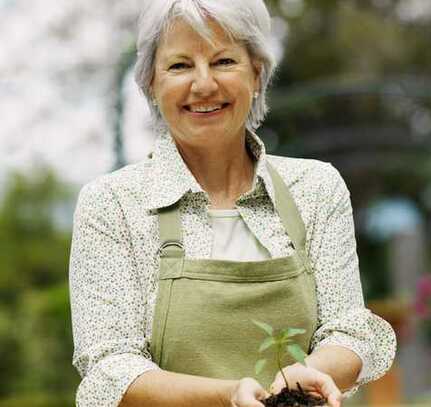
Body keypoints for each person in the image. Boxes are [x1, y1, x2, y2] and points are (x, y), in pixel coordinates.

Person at [69, 1, 397, 406]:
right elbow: (109, 368)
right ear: (151, 82)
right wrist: (228, 395)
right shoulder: (113, 204)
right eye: (180, 66)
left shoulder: (315, 188)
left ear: (257, 73)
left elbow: (351, 331)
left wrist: (308, 373)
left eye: (224, 61)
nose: (204, 85)